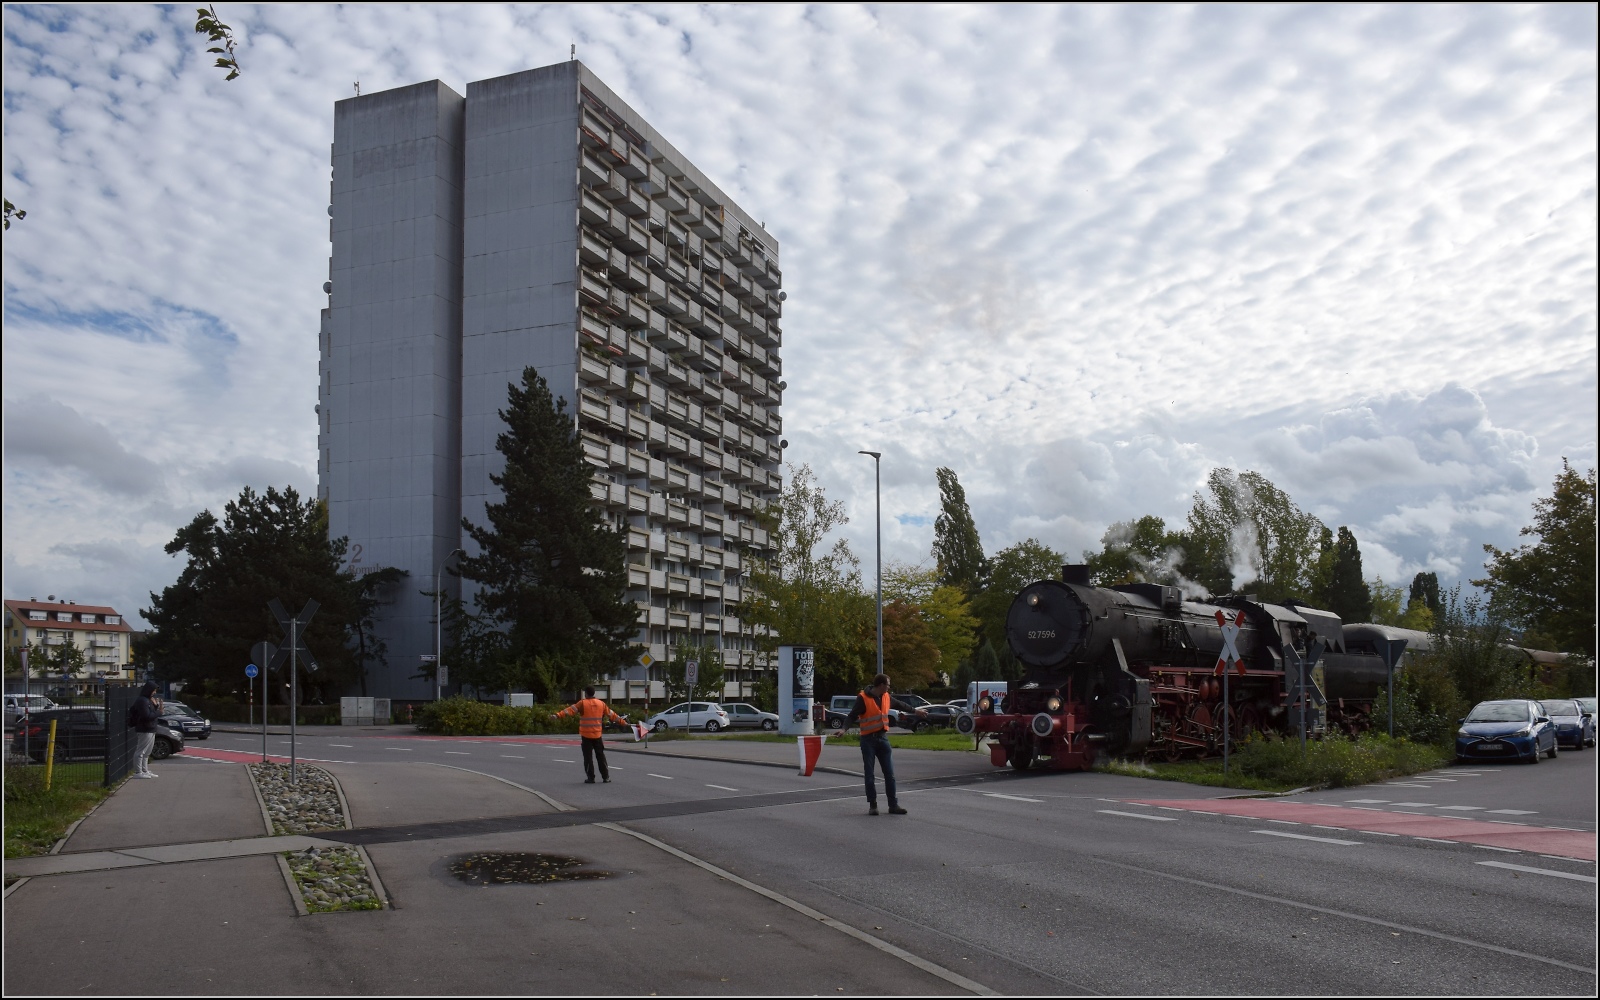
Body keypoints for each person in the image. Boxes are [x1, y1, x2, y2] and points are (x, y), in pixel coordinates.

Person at [845, 673, 907, 815]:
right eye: (888, 685)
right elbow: (852, 716)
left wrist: (917, 711)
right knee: (869, 774)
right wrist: (844, 729)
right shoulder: (863, 698)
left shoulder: (886, 697)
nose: (889, 687)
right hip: (868, 741)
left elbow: (902, 705)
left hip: (883, 739)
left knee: (890, 774)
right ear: (881, 685)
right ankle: (873, 805)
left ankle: (893, 805)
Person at [553, 687, 627, 783]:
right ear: (593, 693)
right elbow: (612, 715)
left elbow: (569, 711)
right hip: (597, 735)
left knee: (588, 758)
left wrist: (557, 715)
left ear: (586, 694)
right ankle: (606, 777)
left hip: (586, 735)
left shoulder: (582, 703)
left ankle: (591, 778)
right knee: (600, 756)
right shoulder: (601, 704)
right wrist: (623, 722)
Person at [129, 682, 161, 778]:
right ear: (149, 690)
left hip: (150, 728)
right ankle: (138, 772)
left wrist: (155, 707)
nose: (154, 693)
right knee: (141, 751)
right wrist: (159, 712)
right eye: (153, 690)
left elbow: (151, 713)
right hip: (145, 728)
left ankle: (144, 770)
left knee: (147, 752)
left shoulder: (147, 700)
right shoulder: (142, 701)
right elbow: (146, 716)